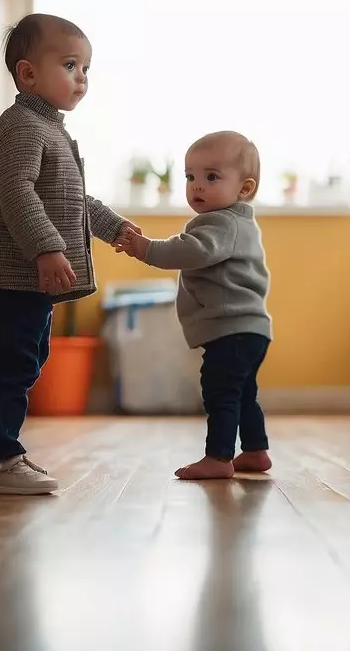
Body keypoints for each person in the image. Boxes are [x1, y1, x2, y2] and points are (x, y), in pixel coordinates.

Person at [0, 13, 139, 495]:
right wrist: (46, 249)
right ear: (28, 74)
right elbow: (16, 192)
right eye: (70, 64)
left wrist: (113, 228)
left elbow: (72, 200)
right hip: (11, 272)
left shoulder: (49, 130)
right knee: (13, 362)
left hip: (23, 276)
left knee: (25, 357)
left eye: (86, 67)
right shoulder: (23, 127)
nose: (82, 77)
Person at [116, 131, 273, 480]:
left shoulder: (220, 223)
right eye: (190, 176)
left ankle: (218, 458)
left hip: (232, 328)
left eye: (211, 177)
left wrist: (146, 249)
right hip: (249, 329)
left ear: (244, 189)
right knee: (243, 392)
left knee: (219, 391)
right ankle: (255, 450)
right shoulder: (239, 223)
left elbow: (192, 250)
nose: (197, 186)